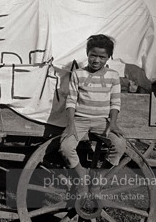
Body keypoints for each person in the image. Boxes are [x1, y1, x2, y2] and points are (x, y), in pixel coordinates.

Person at [59, 34, 126, 194]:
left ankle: (98, 180)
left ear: (108, 57)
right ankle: (82, 177)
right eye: (93, 55)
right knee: (66, 148)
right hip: (80, 120)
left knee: (119, 145)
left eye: (102, 57)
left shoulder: (113, 76)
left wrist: (113, 123)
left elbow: (115, 102)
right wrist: (70, 125)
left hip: (102, 121)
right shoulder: (78, 74)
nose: (96, 60)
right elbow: (71, 101)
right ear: (87, 54)